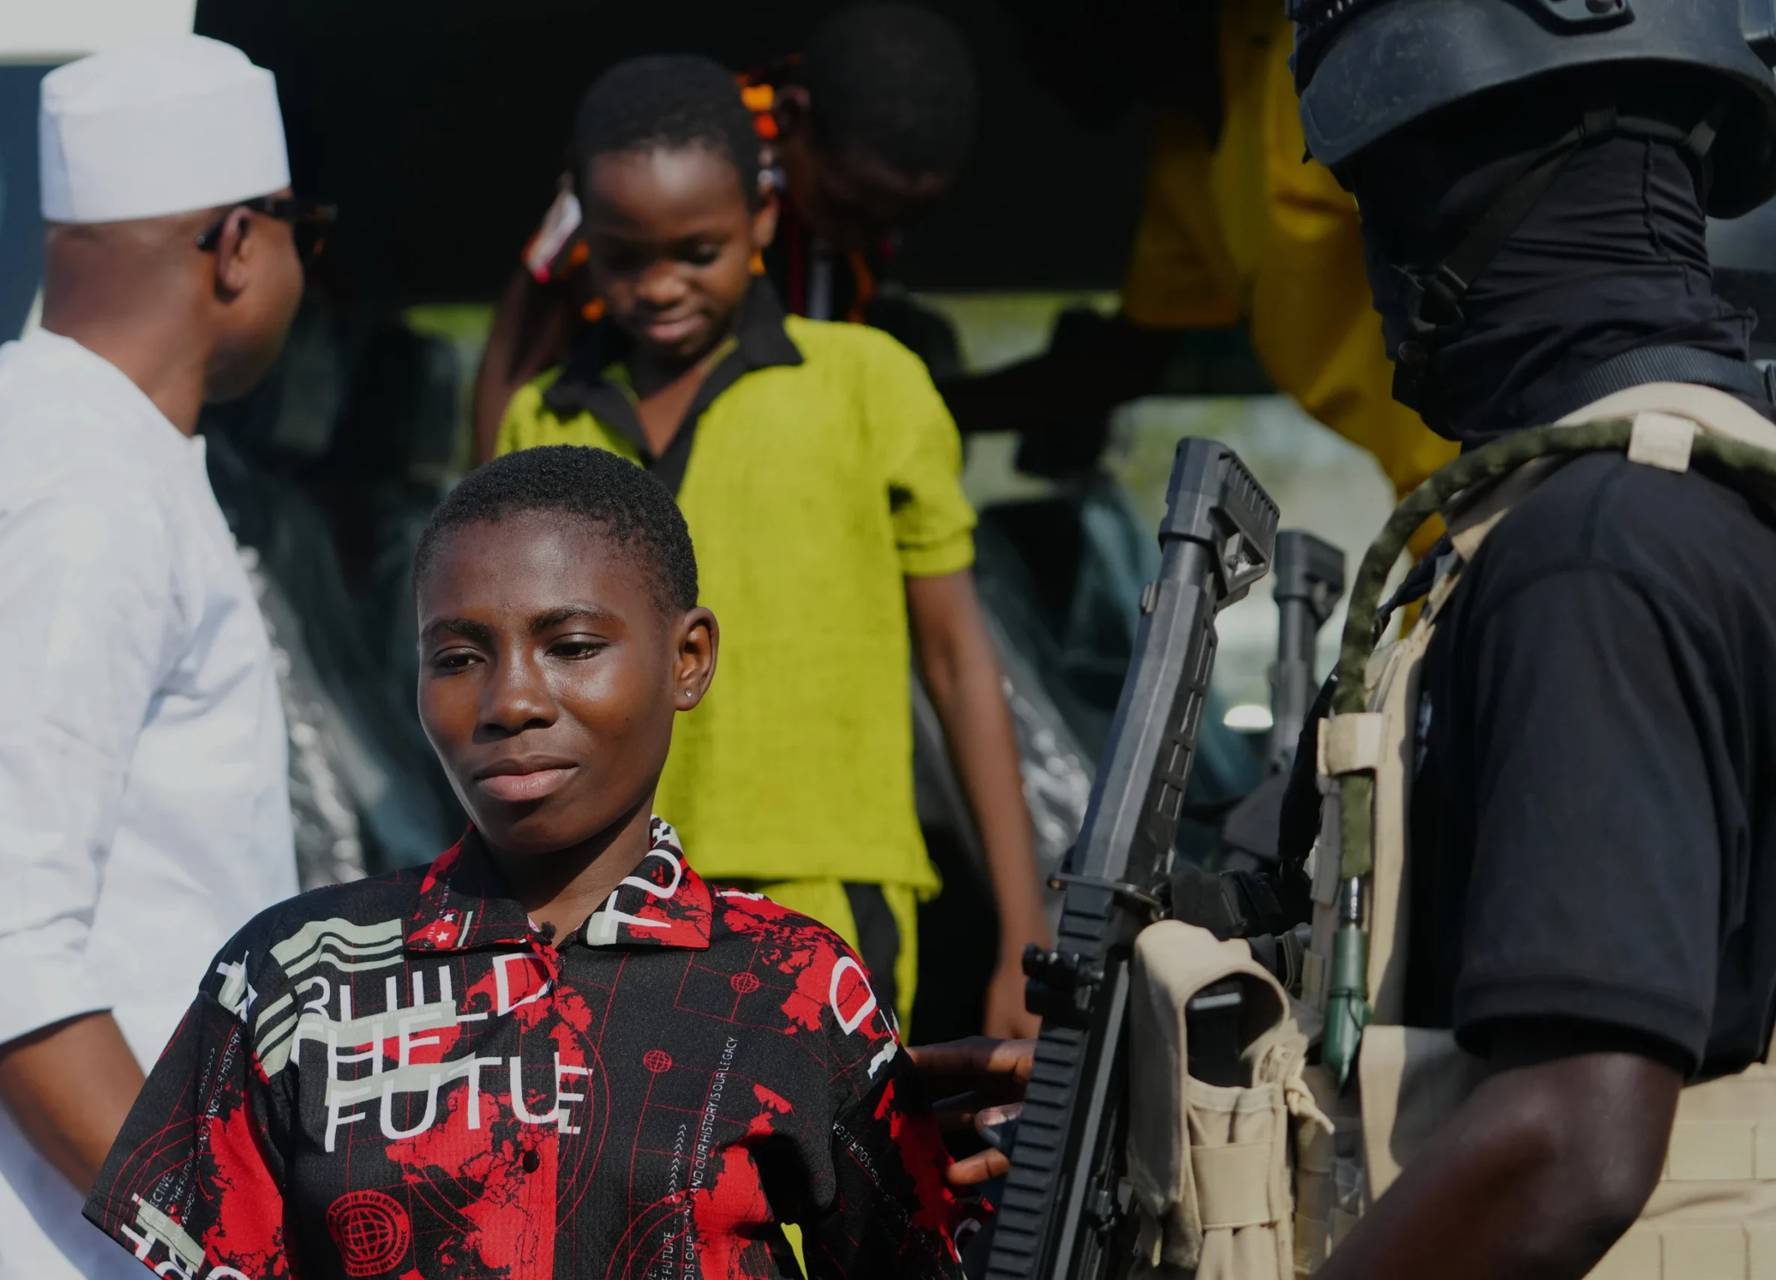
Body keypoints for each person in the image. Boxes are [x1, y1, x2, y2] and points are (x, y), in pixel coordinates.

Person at [933, 4, 1776, 1276]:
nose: (1372, 286)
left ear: (1479, 190)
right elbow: (1425, 995)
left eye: (1382, 207)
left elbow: (1573, 1137)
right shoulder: (1648, 507)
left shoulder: (1596, 550)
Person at [84, 445, 974, 1279]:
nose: (510, 700)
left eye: (574, 647)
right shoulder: (295, 977)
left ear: (688, 659)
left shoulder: (797, 987)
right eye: (458, 657)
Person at [0, 36, 310, 1278]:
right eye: (296, 229)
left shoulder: (56, 432)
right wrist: (229, 1241)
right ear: (235, 244)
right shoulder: (81, 482)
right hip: (48, 1244)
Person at [494, 55, 1048, 1040]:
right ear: (585, 243)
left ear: (761, 220)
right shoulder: (546, 415)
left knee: (811, 1189)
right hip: (595, 909)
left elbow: (959, 661)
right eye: (624, 256)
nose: (660, 285)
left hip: (826, 895)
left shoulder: (867, 382)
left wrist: (1022, 928)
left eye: (698, 250)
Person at [946, 0, 1456, 509]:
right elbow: (1124, 361)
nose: (1025, 48)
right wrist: (922, 402)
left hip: (1499, 460)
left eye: (1036, 20)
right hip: (1441, 502)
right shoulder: (1185, 154)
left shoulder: (1324, 56)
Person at [472, 3, 977, 457]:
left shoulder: (858, 202)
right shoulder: (671, 150)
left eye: (901, 223)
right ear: (789, 119)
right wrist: (495, 516)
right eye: (850, 210)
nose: (871, 239)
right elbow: (519, 351)